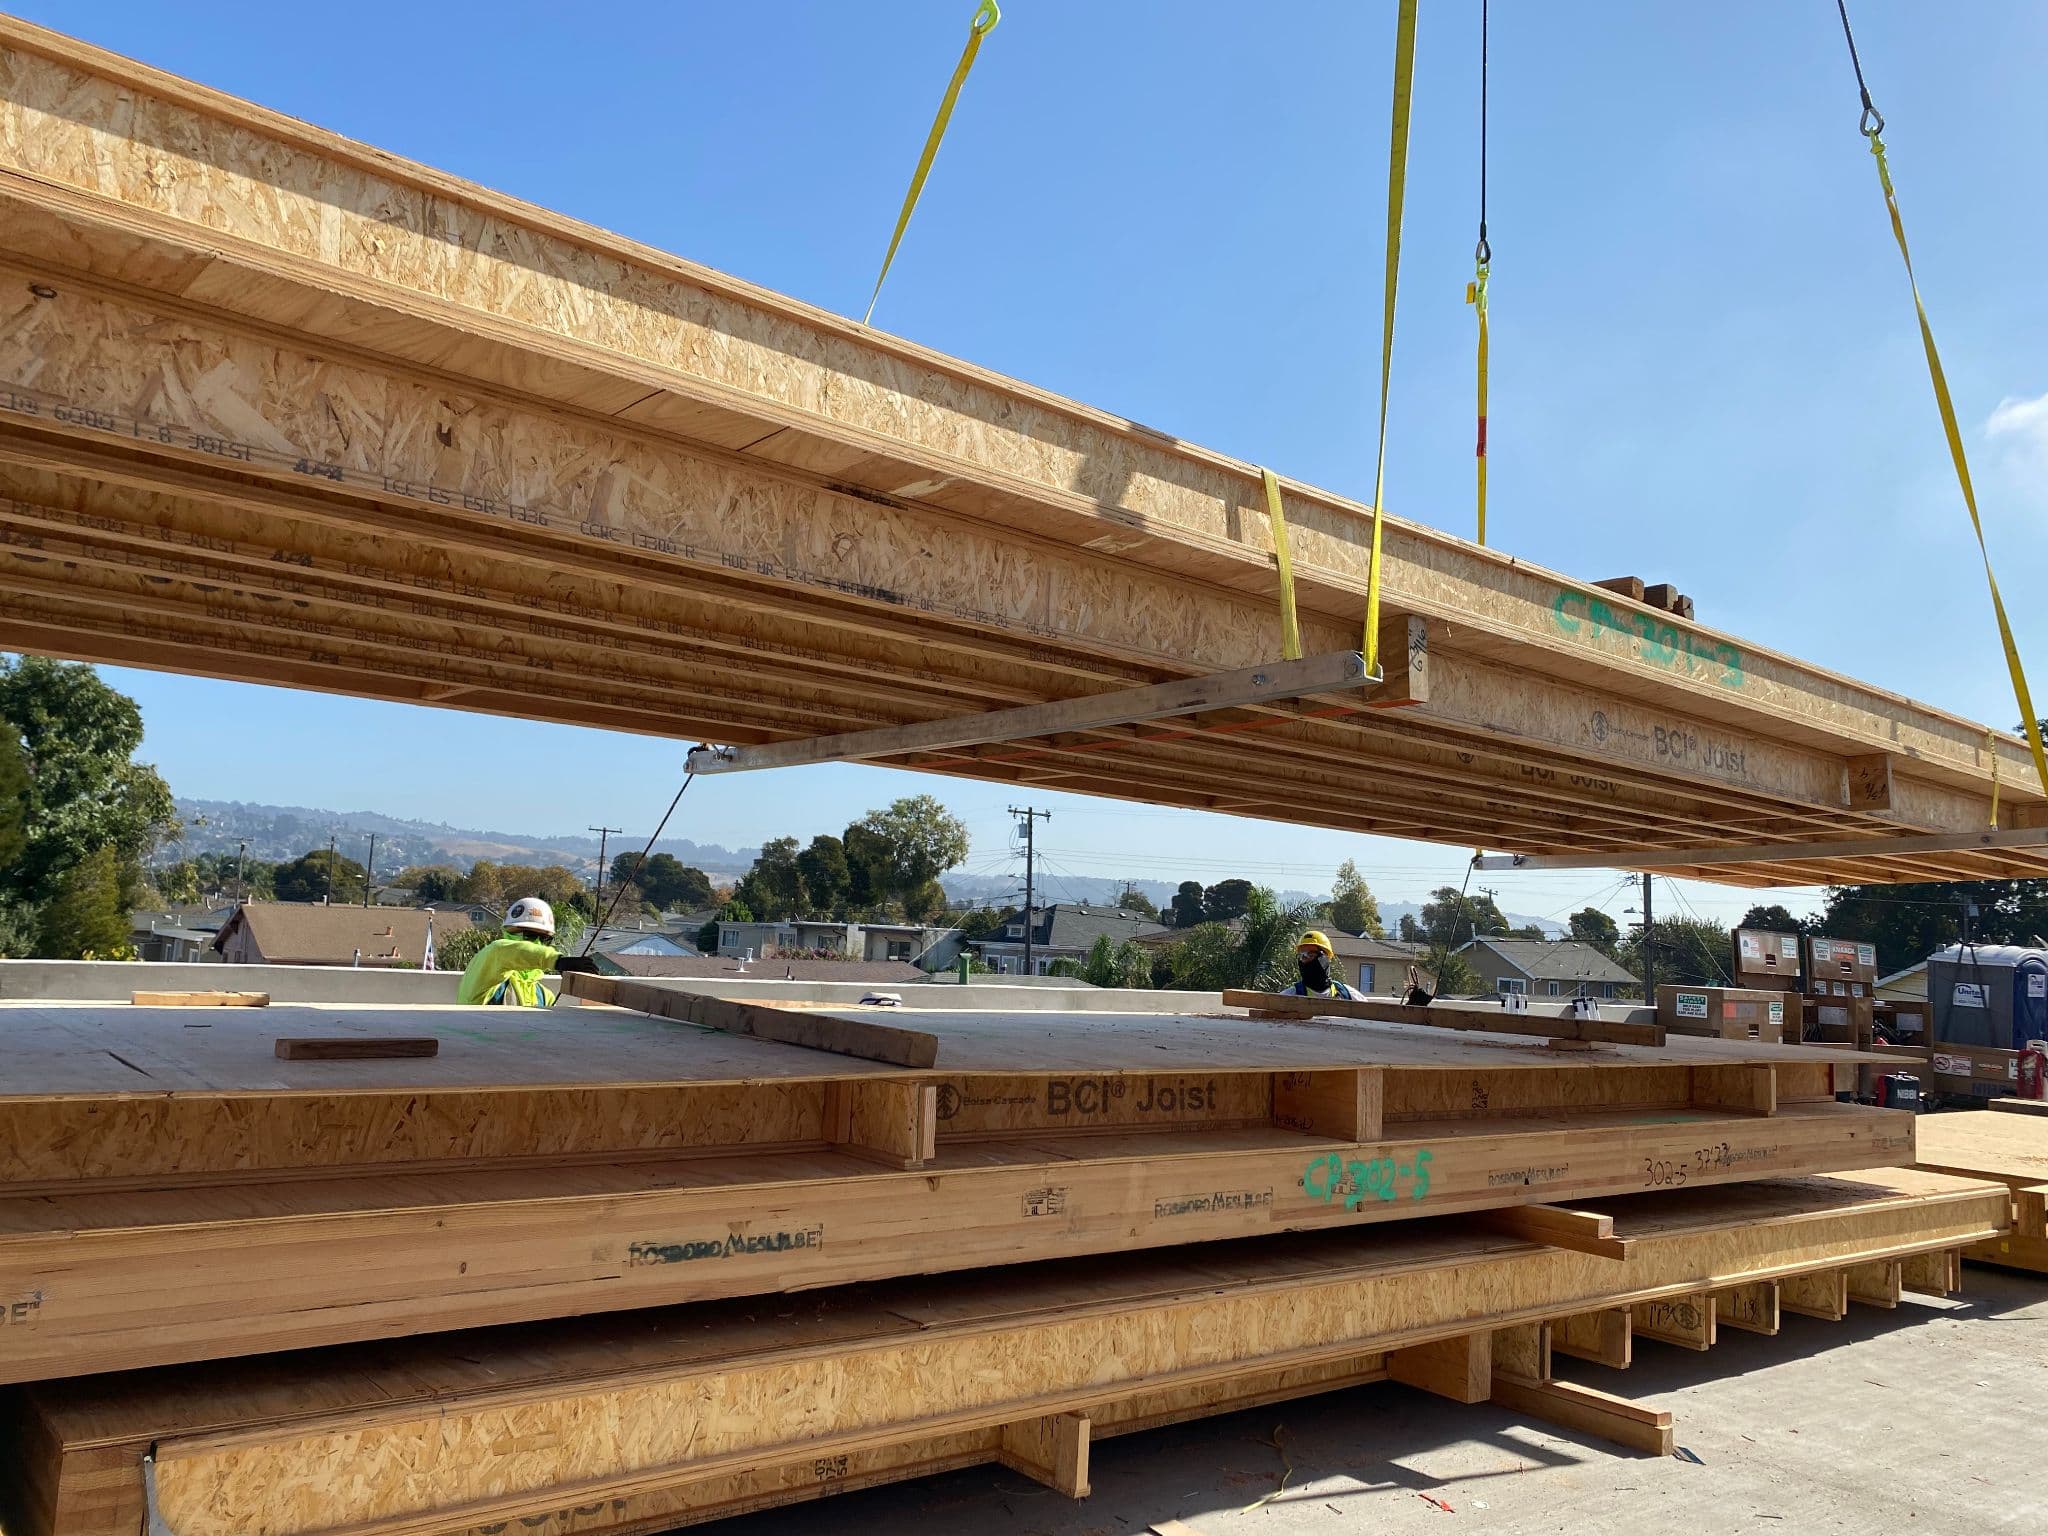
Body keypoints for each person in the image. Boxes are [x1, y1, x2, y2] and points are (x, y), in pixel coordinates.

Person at [457, 896, 560, 1006]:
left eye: (545, 939)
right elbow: (499, 950)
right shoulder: (484, 973)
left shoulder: (545, 997)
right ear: (509, 933)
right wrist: (556, 960)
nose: (538, 943)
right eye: (530, 935)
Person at [1288, 931, 1360, 999]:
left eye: (1311, 954)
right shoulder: (1289, 996)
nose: (1305, 960)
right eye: (1302, 955)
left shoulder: (1347, 994)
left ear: (1325, 957)